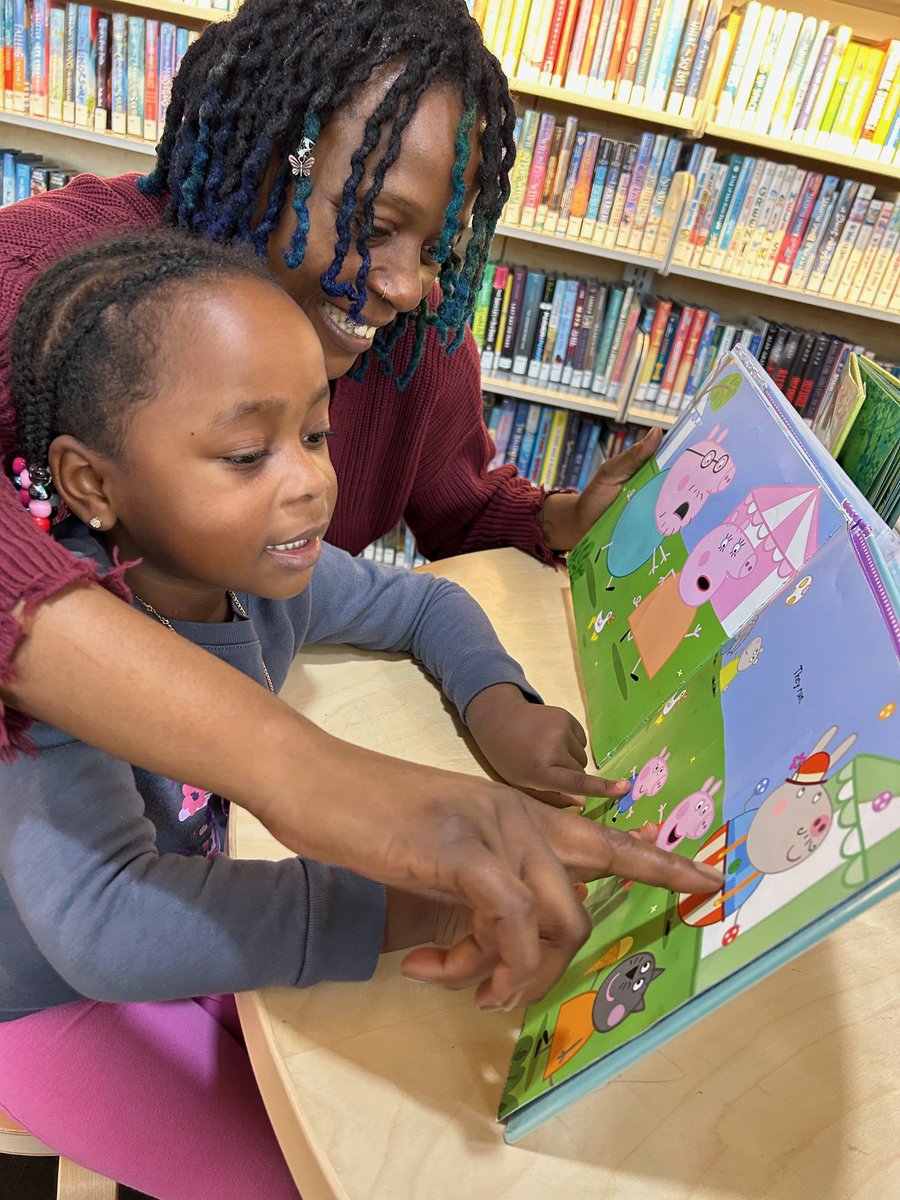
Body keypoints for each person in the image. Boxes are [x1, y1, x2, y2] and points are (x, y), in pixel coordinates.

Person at [0, 232, 720, 1198]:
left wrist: (498, 704)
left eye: (315, 434)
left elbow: (422, 602)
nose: (308, 483)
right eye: (248, 453)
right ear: (93, 483)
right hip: (44, 999)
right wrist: (418, 902)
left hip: (197, 894)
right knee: (304, 1173)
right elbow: (106, 927)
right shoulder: (58, 665)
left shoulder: (262, 571)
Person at [0, 0, 662, 1006]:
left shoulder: (286, 539)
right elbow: (106, 922)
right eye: (378, 224)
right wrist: (306, 774)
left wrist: (549, 526)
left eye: (315, 434)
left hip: (227, 892)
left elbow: (450, 537)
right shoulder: (61, 297)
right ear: (275, 156)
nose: (410, 287)